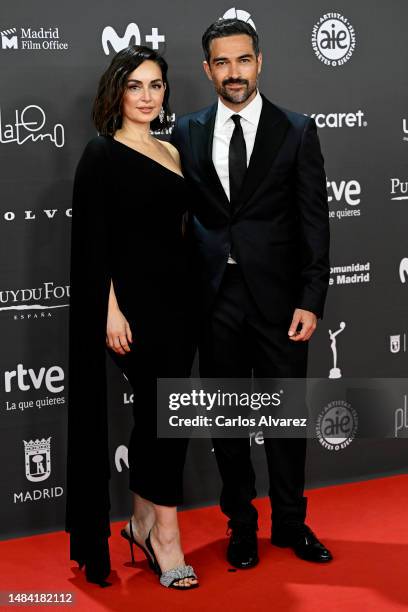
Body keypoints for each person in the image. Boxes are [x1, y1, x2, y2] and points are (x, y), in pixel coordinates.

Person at [171, 18, 332, 569]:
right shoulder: (187, 131)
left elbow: (315, 221)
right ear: (207, 69)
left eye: (243, 60)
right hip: (216, 300)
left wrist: (311, 298)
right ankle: (242, 525)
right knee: (229, 422)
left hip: (283, 301)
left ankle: (291, 523)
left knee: (286, 418)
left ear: (259, 62)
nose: (233, 73)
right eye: (222, 62)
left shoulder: (296, 129)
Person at [66, 45, 199, 590]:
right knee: (165, 417)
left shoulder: (172, 150)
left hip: (182, 303)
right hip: (133, 309)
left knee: (160, 418)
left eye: (156, 86)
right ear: (117, 92)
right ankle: (166, 536)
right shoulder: (101, 154)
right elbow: (97, 243)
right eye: (136, 86)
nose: (147, 96)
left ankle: (142, 523)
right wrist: (110, 309)